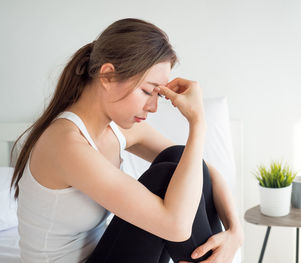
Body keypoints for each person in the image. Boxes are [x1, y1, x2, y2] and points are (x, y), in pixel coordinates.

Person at [10, 18, 243, 263]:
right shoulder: (65, 144)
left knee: (180, 159)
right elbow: (176, 227)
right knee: (165, 178)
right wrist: (198, 123)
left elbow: (204, 171)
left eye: (157, 95)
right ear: (108, 75)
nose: (153, 107)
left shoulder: (116, 129)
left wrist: (235, 231)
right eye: (146, 91)